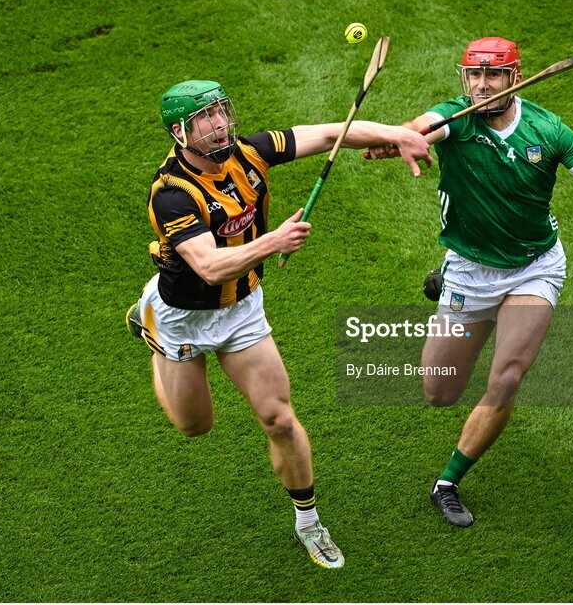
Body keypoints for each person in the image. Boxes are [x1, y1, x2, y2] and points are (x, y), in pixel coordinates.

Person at [126, 80, 431, 566]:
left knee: (279, 419)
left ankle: (308, 522)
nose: (220, 124)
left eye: (222, 111)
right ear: (180, 132)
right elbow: (209, 266)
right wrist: (276, 241)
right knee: (194, 427)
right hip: (182, 318)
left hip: (242, 308)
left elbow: (333, 132)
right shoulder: (171, 195)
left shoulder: (249, 153)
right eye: (206, 118)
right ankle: (152, 332)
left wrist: (399, 134)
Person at [369, 38, 573, 528]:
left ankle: (447, 482)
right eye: (474, 76)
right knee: (439, 392)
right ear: (464, 77)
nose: (481, 85)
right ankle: (445, 280)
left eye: (492, 76)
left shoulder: (547, 128)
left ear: (515, 77)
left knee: (507, 377)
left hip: (534, 266)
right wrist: (398, 138)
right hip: (472, 269)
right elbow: (417, 128)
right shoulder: (455, 118)